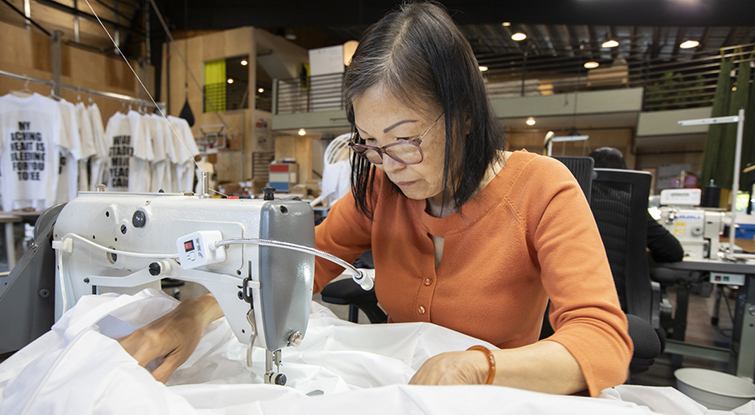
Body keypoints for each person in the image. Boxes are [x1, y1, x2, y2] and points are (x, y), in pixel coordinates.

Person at [118, 2, 631, 397]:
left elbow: (602, 340)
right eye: (370, 143)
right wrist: (195, 314)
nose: (388, 164)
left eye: (405, 139)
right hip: (404, 394)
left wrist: (478, 367)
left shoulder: (542, 189)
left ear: (464, 115)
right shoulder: (379, 189)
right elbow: (297, 266)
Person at [588, 147, 684, 264]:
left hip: (584, 274)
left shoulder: (578, 204)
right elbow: (673, 252)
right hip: (623, 276)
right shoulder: (630, 205)